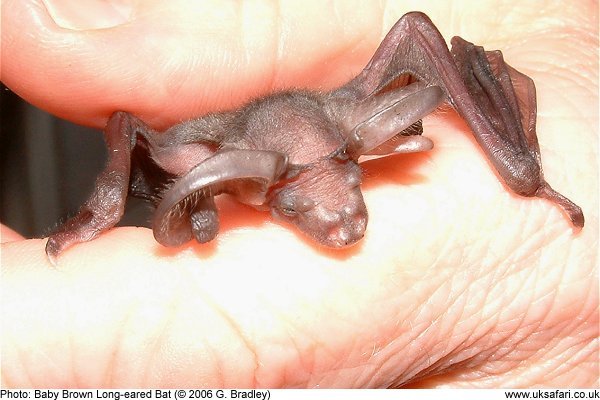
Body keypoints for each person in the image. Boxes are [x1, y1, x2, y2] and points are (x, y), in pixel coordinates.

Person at [1, 0, 597, 388]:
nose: (343, 226)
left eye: (348, 184)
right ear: (254, 189)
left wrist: (531, 180)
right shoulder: (200, 155)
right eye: (295, 205)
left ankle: (520, 166)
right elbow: (125, 126)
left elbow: (416, 26)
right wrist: (108, 205)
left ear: (361, 152)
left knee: (420, 33)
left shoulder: (356, 111)